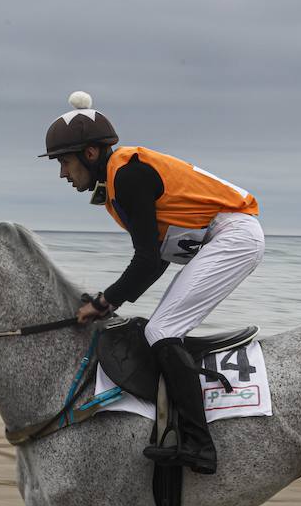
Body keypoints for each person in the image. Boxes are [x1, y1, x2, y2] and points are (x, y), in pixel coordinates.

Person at [40, 91, 265, 475]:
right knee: (159, 329)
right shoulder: (120, 177)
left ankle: (199, 446)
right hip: (226, 235)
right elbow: (157, 258)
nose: (63, 173)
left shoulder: (127, 176)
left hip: (234, 235)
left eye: (65, 162)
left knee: (161, 330)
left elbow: (145, 260)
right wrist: (109, 302)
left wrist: (103, 302)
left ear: (90, 154)